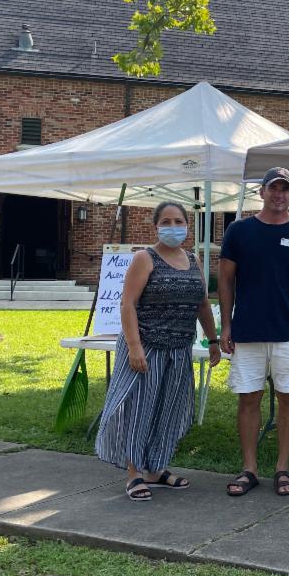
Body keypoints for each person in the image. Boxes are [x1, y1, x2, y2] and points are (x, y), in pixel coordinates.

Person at [95, 201, 220, 502]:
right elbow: (127, 304)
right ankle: (134, 473)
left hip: (179, 349)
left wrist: (214, 340)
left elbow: (202, 304)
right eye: (166, 221)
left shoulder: (193, 259)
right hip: (146, 348)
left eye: (178, 221)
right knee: (141, 409)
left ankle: (156, 469)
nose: (173, 227)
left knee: (168, 409)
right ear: (156, 226)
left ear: (187, 226)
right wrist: (135, 347)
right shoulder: (145, 258)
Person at [219, 167, 289, 497]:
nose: (279, 195)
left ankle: (283, 468)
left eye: (285, 189)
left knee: (288, 399)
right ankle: (249, 469)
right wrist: (226, 325)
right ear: (262, 192)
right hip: (247, 332)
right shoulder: (238, 230)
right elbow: (225, 280)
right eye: (273, 188)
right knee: (248, 399)